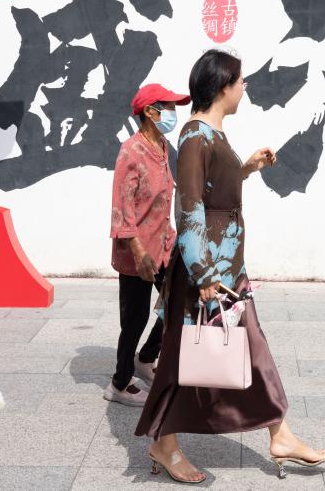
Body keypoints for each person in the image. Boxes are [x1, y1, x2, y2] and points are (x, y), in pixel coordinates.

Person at [136, 49, 325, 483]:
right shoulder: (195, 136)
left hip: (226, 267)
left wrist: (245, 169)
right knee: (184, 357)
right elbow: (189, 207)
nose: (243, 88)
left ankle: (279, 433)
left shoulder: (211, 135)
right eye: (240, 81)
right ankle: (165, 443)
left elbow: (213, 190)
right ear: (223, 85)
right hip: (208, 272)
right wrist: (204, 274)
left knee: (247, 346)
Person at [105, 82, 191, 407]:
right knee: (135, 318)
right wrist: (138, 251)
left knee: (177, 302)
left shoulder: (162, 146)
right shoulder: (131, 150)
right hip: (137, 253)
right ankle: (119, 382)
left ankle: (146, 358)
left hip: (163, 245)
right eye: (168, 107)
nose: (173, 113)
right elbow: (121, 206)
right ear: (151, 113)